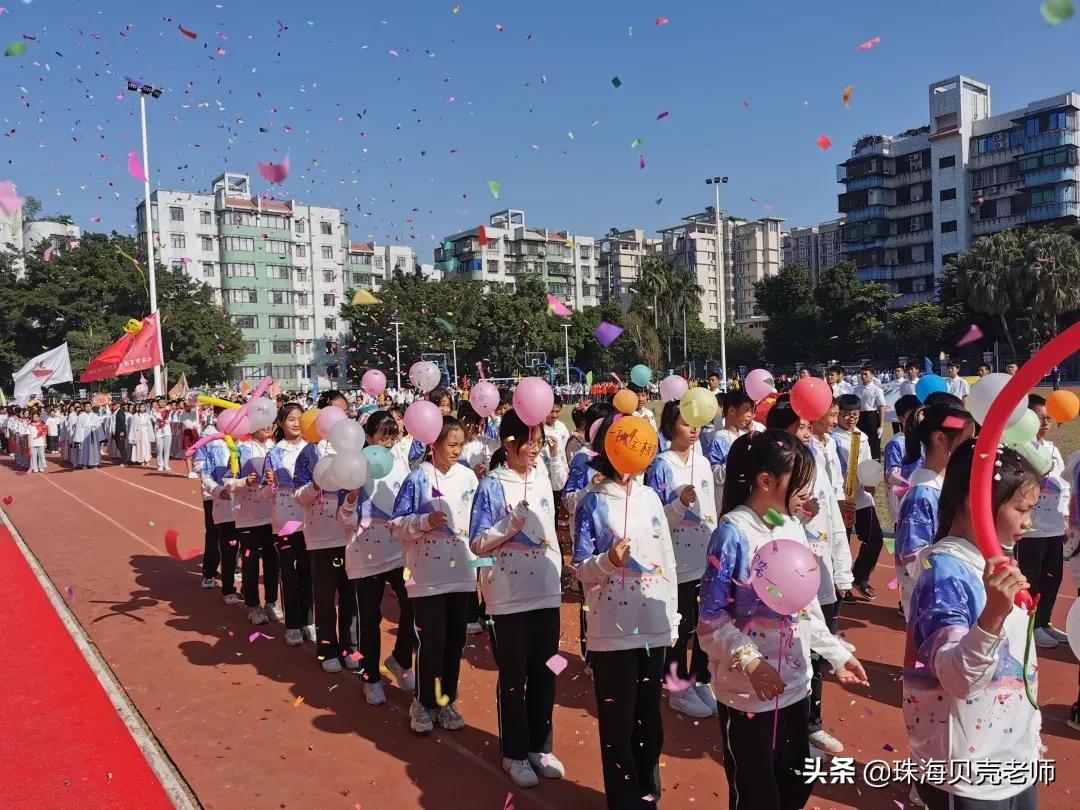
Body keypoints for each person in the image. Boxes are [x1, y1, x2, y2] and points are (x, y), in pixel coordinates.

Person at [699, 429, 868, 810]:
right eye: (801, 483)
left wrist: (835, 652)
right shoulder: (733, 533)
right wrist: (752, 662)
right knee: (757, 795)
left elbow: (804, 604)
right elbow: (710, 617)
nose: (808, 492)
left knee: (794, 787)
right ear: (765, 481)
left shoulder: (791, 527)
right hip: (748, 693)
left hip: (795, 684)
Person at [904, 441, 1041, 809]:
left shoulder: (994, 562)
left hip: (1011, 756)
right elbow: (956, 678)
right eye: (1022, 508)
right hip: (966, 770)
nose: (1030, 521)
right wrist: (993, 615)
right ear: (974, 502)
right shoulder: (944, 573)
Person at [573, 412, 678, 809]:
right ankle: (623, 800)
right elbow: (581, 570)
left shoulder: (651, 498)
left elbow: (665, 557)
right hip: (611, 632)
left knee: (649, 722)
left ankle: (647, 795)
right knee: (618, 725)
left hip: (654, 627)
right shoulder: (592, 503)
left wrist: (672, 615)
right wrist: (607, 562)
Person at [469, 409, 564, 788]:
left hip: (546, 591)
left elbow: (565, 482)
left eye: (539, 443)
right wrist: (510, 526)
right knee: (514, 676)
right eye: (530, 443)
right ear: (509, 444)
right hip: (508, 596)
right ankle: (514, 752)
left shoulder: (542, 475)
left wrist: (555, 454)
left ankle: (541, 746)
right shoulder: (493, 484)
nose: (535, 450)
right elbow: (476, 544)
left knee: (548, 671)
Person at [390, 415, 479, 735]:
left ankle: (446, 700)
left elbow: (478, 523)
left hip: (462, 572)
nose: (457, 450)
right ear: (434, 444)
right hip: (426, 576)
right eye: (451, 444)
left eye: (461, 445)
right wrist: (425, 522)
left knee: (456, 640)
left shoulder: (469, 478)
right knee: (432, 641)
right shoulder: (418, 479)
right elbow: (396, 524)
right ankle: (423, 703)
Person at [336, 410, 416, 704]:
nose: (387, 443)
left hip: (398, 552)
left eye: (392, 436)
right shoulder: (353, 468)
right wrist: (353, 495)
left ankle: (401, 660)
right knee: (370, 618)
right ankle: (371, 676)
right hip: (365, 555)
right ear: (367, 436)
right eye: (382, 436)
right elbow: (343, 520)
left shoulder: (400, 464)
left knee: (413, 606)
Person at [646, 400, 718, 719]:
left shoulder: (702, 463)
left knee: (706, 625)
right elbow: (654, 520)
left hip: (705, 559)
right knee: (680, 626)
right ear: (671, 426)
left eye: (697, 423)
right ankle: (677, 687)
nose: (693, 429)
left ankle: (701, 679)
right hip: (675, 563)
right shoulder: (661, 465)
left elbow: (711, 511)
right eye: (686, 423)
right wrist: (679, 503)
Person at [803, 398, 856, 755]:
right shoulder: (775, 471)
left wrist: (842, 569)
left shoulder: (820, 462)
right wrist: (795, 519)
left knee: (817, 653)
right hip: (786, 580)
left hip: (820, 573)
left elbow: (834, 522)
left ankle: (811, 725)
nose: (805, 433)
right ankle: (794, 728)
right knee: (796, 656)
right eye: (800, 425)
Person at [894, 403, 975, 618]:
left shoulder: (943, 486)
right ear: (940, 439)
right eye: (966, 441)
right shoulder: (923, 495)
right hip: (933, 601)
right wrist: (946, 573)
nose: (971, 449)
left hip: (950, 592)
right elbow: (912, 555)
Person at [294, 392, 356, 673]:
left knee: (350, 595)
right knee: (325, 595)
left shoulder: (352, 450)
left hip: (350, 535)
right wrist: (316, 486)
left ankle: (350, 647)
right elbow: (298, 495)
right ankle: (327, 648)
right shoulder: (310, 451)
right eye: (334, 412)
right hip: (321, 536)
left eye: (344, 413)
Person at [1017, 394, 1071, 649]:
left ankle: (1045, 621)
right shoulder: (1019, 449)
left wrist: (1066, 518)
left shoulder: (1053, 449)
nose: (1046, 423)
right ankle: (1031, 625)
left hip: (1054, 525)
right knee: (1032, 579)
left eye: (1048, 418)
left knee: (1053, 577)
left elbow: (1063, 483)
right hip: (1031, 529)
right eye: (1040, 418)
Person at [834, 394, 885, 601]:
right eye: (845, 415)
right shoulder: (833, 438)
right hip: (842, 500)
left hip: (862, 497)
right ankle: (841, 586)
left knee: (875, 539)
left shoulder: (862, 436)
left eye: (854, 415)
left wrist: (870, 483)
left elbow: (868, 465)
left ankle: (860, 577)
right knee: (842, 543)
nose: (850, 419)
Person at [884, 394, 924, 528]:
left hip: (923, 498)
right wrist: (913, 485)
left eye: (921, 413)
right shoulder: (897, 443)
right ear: (901, 419)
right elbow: (892, 474)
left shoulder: (925, 439)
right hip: (906, 502)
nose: (920, 418)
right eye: (914, 414)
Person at [541, 394, 570, 504]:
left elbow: (566, 451)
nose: (554, 415)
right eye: (551, 411)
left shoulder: (561, 426)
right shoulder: (537, 430)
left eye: (557, 411)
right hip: (546, 482)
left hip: (563, 477)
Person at [852, 365, 886, 460]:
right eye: (862, 374)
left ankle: (875, 464)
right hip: (859, 416)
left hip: (872, 417)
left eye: (865, 374)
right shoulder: (856, 389)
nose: (863, 376)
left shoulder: (877, 390)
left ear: (872, 375)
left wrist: (881, 425)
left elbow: (881, 407)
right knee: (858, 440)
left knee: (873, 442)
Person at [152, 398, 172, 472]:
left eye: (163, 402)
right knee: (160, 449)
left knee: (167, 449)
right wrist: (160, 420)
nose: (162, 403)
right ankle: (160, 465)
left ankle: (166, 464)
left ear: (165, 403)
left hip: (167, 431)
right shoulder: (154, 410)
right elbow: (154, 419)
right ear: (158, 403)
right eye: (160, 402)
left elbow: (170, 420)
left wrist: (166, 420)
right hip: (159, 431)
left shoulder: (168, 410)